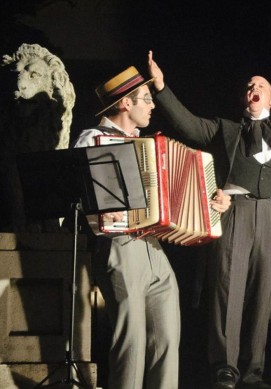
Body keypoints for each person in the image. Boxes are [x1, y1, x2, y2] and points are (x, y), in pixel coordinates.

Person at [148, 51, 271, 389]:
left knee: (263, 296)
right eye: (250, 85)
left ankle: (253, 371)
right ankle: (225, 367)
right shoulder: (226, 129)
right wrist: (161, 88)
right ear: (244, 97)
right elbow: (186, 123)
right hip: (234, 212)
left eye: (261, 85)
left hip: (270, 218)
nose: (255, 87)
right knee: (226, 291)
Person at [73, 66, 231, 389]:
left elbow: (173, 196)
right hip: (118, 245)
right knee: (129, 343)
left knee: (167, 338)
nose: (152, 105)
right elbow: (85, 199)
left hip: (153, 247)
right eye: (146, 98)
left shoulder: (147, 147)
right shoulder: (93, 139)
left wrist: (208, 201)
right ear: (125, 104)